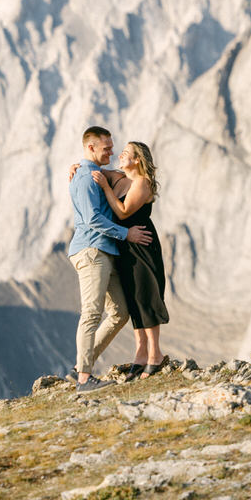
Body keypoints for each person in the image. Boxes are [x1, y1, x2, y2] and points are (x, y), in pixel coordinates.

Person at [68, 126, 152, 392]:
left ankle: (82, 365)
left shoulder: (92, 173)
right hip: (92, 251)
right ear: (91, 147)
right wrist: (125, 234)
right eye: (106, 148)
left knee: (120, 313)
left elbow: (117, 176)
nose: (112, 152)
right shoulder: (83, 178)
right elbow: (92, 219)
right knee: (92, 313)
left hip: (105, 252)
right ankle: (84, 379)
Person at [91, 141, 170, 377]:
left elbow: (124, 211)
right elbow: (94, 170)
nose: (121, 155)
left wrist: (106, 188)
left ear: (137, 160)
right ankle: (141, 353)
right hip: (126, 246)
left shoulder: (142, 182)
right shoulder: (118, 177)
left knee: (146, 296)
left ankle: (155, 354)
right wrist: (76, 167)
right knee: (133, 299)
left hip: (142, 247)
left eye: (126, 153)